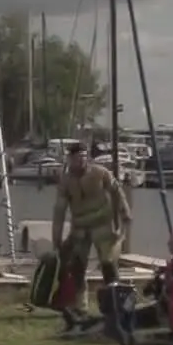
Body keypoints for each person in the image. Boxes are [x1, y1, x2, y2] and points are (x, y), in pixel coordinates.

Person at [50, 142, 131, 334]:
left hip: (103, 225)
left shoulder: (100, 172)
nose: (80, 160)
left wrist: (124, 213)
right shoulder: (65, 181)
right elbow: (59, 210)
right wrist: (57, 237)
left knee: (108, 265)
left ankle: (115, 304)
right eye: (75, 157)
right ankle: (81, 307)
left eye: (83, 156)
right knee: (77, 268)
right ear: (69, 159)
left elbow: (116, 192)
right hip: (80, 227)